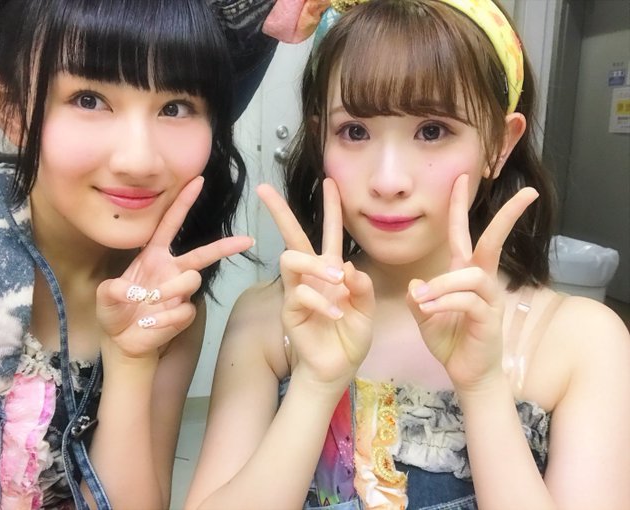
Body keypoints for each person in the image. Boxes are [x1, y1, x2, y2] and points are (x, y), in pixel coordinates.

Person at [185, 1, 630, 509]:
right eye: (354, 131)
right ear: (320, 138)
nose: (388, 180)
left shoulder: (582, 342)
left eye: (432, 130)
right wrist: (314, 385)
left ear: (498, 145)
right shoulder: (271, 321)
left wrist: (483, 389)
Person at [0, 0, 276, 507]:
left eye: (176, 107)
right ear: (11, 108)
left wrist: (130, 364)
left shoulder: (167, 303)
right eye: (89, 99)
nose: (138, 160)